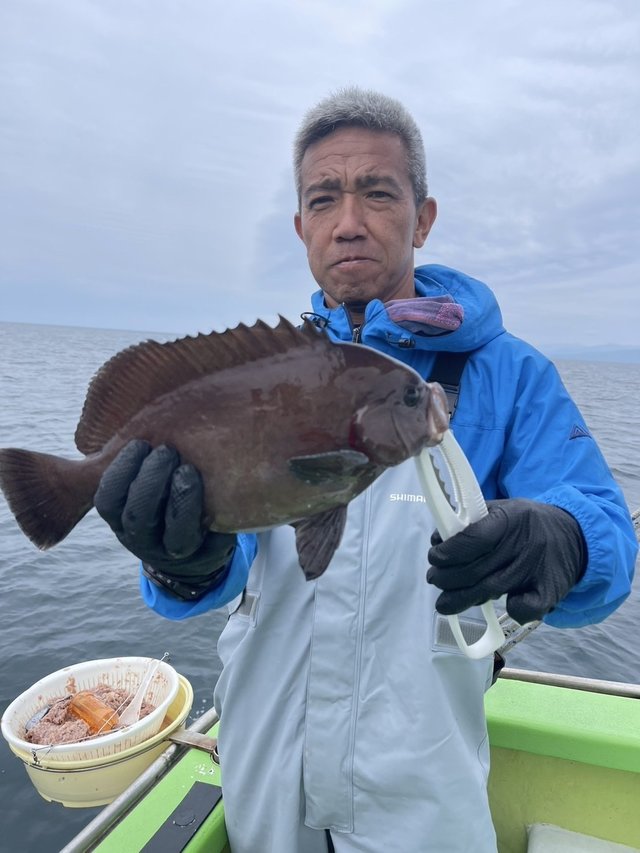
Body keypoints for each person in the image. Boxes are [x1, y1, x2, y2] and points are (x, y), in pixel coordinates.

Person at [94, 87, 638, 853]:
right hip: (263, 788)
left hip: (423, 810)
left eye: (377, 193)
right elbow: (221, 571)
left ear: (423, 217)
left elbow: (608, 536)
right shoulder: (259, 379)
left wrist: (566, 538)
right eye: (324, 198)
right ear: (301, 226)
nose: (348, 221)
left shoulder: (510, 376)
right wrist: (182, 562)